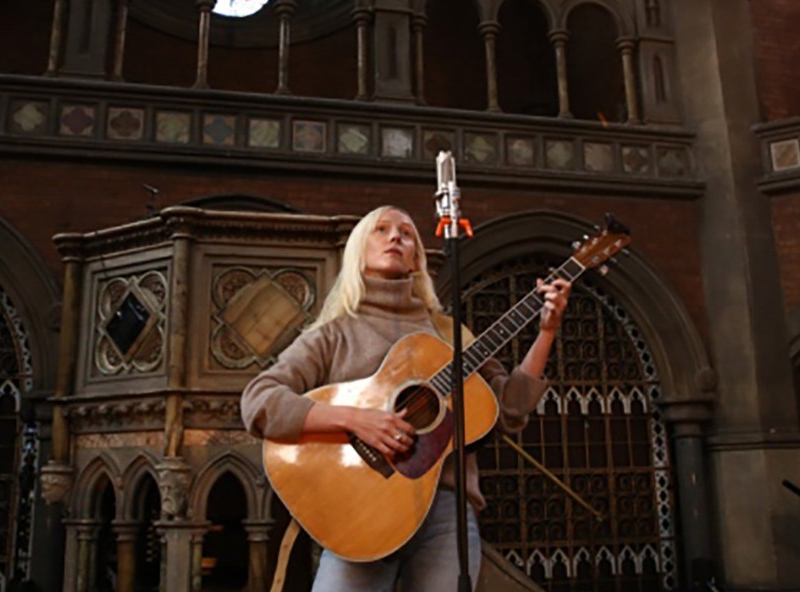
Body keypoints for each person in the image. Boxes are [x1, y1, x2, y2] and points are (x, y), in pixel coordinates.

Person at [241, 205, 571, 591]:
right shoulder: (333, 335)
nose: (396, 236)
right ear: (359, 250)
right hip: (359, 512)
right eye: (381, 229)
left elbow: (511, 408)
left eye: (407, 232)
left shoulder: (451, 335)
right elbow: (259, 401)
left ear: (416, 256)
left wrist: (547, 331)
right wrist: (354, 419)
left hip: (446, 513)